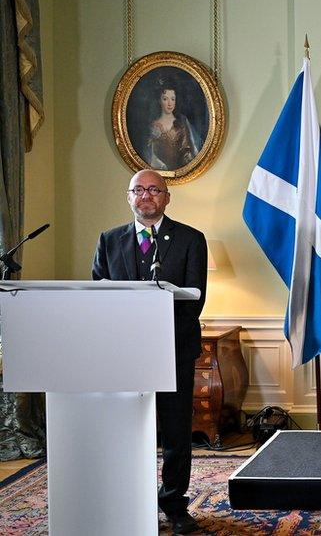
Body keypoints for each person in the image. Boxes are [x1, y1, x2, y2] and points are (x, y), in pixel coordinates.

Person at [92, 169, 207, 534]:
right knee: (129, 431)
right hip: (125, 353)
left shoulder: (191, 239)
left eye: (154, 190)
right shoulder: (109, 240)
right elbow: (100, 294)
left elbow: (194, 300)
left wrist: (157, 333)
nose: (146, 196)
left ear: (166, 197)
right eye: (139, 190)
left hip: (174, 348)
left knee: (176, 432)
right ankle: (131, 501)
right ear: (128, 197)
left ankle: (174, 505)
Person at [141, 78, 201, 171]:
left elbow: (189, 148)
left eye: (173, 99)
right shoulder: (153, 126)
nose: (170, 103)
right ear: (159, 101)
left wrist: (187, 167)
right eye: (165, 99)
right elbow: (149, 156)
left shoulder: (182, 122)